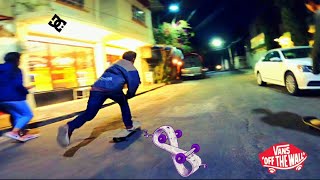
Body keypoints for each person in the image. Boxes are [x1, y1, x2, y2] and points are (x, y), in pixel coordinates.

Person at [57, 51, 141, 147]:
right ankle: (129, 126)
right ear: (133, 59)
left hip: (97, 88)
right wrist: (129, 94)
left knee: (89, 113)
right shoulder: (130, 67)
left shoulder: (114, 64)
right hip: (113, 89)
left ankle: (69, 127)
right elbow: (134, 83)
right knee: (123, 104)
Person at [0, 52, 35, 140]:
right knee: (28, 115)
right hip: (14, 98)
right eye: (19, 59)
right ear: (16, 60)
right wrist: (26, 90)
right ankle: (14, 132)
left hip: (2, 99)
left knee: (18, 116)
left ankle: (20, 134)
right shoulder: (16, 70)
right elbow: (17, 85)